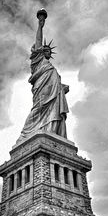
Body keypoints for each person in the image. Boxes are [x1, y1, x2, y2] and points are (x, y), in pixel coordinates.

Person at [17, 10, 69, 143]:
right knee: (37, 110)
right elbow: (39, 41)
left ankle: (50, 133)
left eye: (49, 51)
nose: (47, 51)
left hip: (54, 95)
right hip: (42, 92)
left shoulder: (52, 69)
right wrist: (40, 26)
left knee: (54, 114)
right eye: (44, 50)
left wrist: (62, 89)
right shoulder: (38, 61)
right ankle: (26, 134)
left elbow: (56, 83)